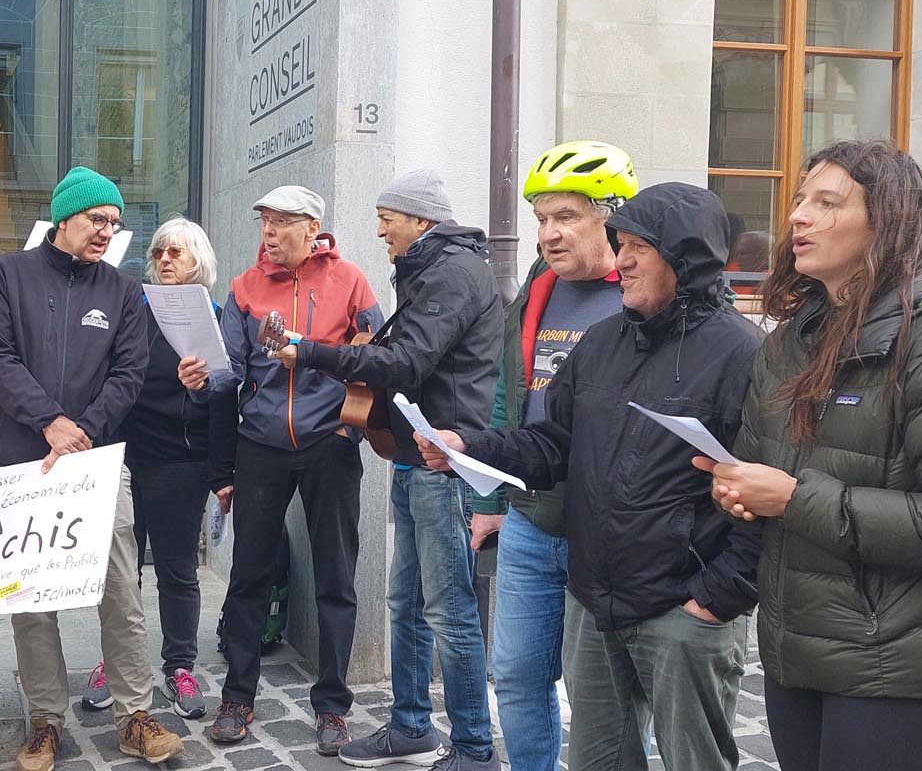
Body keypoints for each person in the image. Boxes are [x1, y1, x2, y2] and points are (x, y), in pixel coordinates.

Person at [420, 181, 763, 771]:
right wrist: (469, 445)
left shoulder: (743, 352)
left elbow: (769, 489)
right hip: (595, 603)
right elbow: (554, 445)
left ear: (683, 258)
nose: (622, 261)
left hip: (682, 609)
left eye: (639, 249)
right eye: (620, 245)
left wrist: (715, 598)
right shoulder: (604, 342)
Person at [703, 140, 922, 771]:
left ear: (887, 224)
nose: (798, 216)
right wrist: (735, 487)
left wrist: (792, 499)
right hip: (799, 654)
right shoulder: (789, 343)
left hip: (900, 665)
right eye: (801, 199)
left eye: (828, 203)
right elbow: (764, 469)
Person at [270, 169, 501, 770]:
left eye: (387, 219)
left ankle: (474, 749)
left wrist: (310, 352)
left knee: (448, 611)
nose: (379, 231)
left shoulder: (452, 272)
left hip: (442, 463)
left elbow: (406, 361)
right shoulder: (430, 268)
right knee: (407, 602)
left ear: (421, 220)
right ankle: (410, 728)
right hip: (413, 455)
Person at [0, 166, 184, 771]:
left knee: (120, 588)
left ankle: (134, 715)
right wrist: (49, 422)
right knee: (30, 599)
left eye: (114, 223)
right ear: (65, 216)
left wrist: (82, 432)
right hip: (22, 462)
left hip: (98, 461)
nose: (107, 232)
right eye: (98, 219)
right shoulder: (7, 274)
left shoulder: (122, 291)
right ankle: (45, 719)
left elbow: (129, 372)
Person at [178, 185, 383, 756]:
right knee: (249, 575)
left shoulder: (351, 282)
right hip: (261, 446)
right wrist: (200, 382)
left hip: (329, 445)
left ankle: (333, 706)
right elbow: (228, 374)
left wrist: (350, 429)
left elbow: (376, 359)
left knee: (336, 577)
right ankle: (237, 698)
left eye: (281, 222)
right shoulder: (244, 287)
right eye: (264, 222)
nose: (268, 233)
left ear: (312, 228)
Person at [463, 141, 639, 771]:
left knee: (608, 694)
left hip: (611, 527)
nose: (548, 233)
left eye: (566, 216)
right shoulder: (540, 285)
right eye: (540, 219)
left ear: (611, 219)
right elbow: (507, 394)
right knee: (513, 673)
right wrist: (489, 497)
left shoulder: (644, 291)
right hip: (531, 517)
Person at [84, 217, 239, 720]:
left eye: (176, 252)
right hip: (123, 456)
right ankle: (117, 661)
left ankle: (179, 666)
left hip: (180, 460)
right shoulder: (133, 310)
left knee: (176, 570)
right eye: (159, 252)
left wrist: (220, 469)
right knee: (119, 571)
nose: (165, 259)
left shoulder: (215, 319)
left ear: (199, 261)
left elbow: (226, 403)